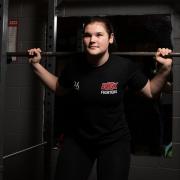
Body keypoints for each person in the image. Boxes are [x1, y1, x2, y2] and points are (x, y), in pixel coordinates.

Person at [28, 16, 172, 180]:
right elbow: (59, 88)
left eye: (99, 35)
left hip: (114, 141)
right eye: (87, 35)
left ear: (110, 38)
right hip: (78, 140)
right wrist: (36, 65)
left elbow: (151, 92)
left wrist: (165, 69)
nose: (92, 40)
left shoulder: (124, 67)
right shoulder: (74, 65)